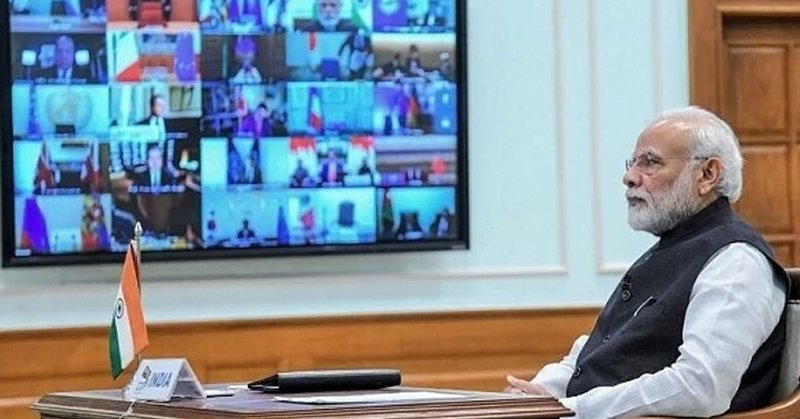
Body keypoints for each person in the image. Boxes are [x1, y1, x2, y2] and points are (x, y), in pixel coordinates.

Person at [504, 106, 789, 418]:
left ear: (708, 174)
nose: (629, 177)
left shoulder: (735, 261)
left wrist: (572, 408)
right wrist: (543, 392)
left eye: (650, 162)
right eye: (633, 163)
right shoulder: (669, 249)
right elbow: (600, 351)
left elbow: (700, 387)